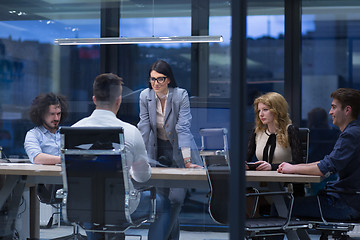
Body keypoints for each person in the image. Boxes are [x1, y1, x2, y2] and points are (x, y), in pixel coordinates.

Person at [72, 73, 170, 240]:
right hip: (121, 207)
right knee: (164, 204)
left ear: (94, 99)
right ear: (118, 100)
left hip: (84, 207)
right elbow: (142, 177)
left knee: (91, 205)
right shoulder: (130, 132)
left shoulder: (73, 131)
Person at [137, 59, 202, 240]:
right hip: (156, 150)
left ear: (168, 80)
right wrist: (140, 157)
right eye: (152, 79)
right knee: (163, 202)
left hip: (178, 150)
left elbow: (183, 129)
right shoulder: (145, 96)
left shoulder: (180, 95)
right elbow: (144, 128)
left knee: (176, 199)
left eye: (159, 79)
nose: (155, 83)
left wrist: (187, 161)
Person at [278, 88, 360, 220]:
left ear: (347, 110)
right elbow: (326, 162)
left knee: (279, 207)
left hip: (345, 205)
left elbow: (324, 168)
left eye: (334, 107)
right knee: (284, 205)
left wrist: (292, 168)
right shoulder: (354, 132)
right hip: (349, 201)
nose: (330, 112)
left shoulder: (351, 134)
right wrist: (294, 167)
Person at [247, 92, 303, 171]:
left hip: (285, 180)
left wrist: (272, 167)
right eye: (259, 111)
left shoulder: (291, 130)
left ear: (277, 111)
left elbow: (299, 164)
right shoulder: (257, 132)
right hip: (262, 179)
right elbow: (246, 159)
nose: (261, 114)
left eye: (265, 110)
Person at [24, 92, 68, 164]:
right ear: (41, 114)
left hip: (66, 174)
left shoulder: (66, 133)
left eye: (58, 113)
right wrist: (66, 160)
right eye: (52, 114)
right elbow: (37, 158)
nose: (56, 118)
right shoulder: (33, 134)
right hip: (44, 175)